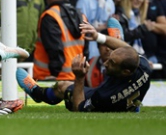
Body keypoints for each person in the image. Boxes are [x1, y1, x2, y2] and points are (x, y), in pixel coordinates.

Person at [17, 19, 152, 112]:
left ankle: (37, 93)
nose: (105, 63)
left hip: (114, 101)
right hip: (128, 98)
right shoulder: (144, 67)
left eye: (111, 63)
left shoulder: (104, 96)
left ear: (126, 72)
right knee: (126, 53)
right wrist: (97, 36)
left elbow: (79, 109)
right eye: (109, 59)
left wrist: (79, 77)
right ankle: (117, 41)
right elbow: (131, 52)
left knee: (62, 86)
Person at [33, 0, 87, 81]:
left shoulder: (50, 16)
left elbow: (54, 48)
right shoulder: (81, 16)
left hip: (50, 78)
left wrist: (55, 73)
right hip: (75, 76)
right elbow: (86, 50)